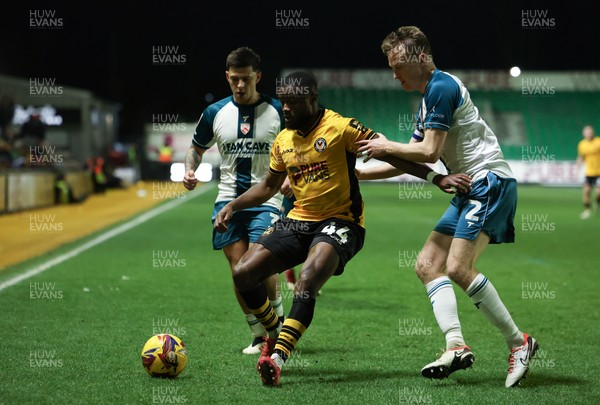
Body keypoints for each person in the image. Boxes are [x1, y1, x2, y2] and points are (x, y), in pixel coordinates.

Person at [213, 70, 471, 387]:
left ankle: (277, 356)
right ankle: (274, 328)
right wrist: (233, 204)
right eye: (284, 103)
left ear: (312, 99)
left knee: (307, 280)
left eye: (293, 103)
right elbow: (268, 185)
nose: (286, 110)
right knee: (243, 273)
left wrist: (436, 177)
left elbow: (388, 150)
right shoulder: (283, 140)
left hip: (341, 222)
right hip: (298, 220)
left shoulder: (341, 127)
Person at [355, 26, 538, 388]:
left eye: (398, 66)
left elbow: (429, 153)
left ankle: (520, 343)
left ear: (421, 57)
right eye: (390, 68)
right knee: (427, 265)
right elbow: (409, 161)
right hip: (469, 187)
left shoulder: (441, 87)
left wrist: (385, 143)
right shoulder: (428, 98)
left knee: (457, 268)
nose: (394, 75)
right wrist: (360, 174)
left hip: (488, 182)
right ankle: (455, 346)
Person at [183, 47, 286, 355]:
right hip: (227, 198)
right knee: (238, 269)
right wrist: (190, 169)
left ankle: (277, 325)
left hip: (268, 198)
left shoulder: (279, 111)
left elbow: (298, 147)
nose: (240, 86)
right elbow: (196, 148)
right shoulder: (215, 113)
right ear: (227, 77)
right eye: (235, 80)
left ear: (258, 77)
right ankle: (259, 334)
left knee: (259, 263)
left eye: (246, 79)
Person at [576, 125, 600, 219]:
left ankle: (597, 202)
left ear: (593, 133)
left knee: (599, 193)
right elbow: (581, 157)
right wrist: (578, 167)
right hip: (589, 172)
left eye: (590, 132)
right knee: (586, 191)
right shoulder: (582, 144)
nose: (589, 134)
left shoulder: (598, 142)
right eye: (587, 133)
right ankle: (587, 210)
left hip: (599, 172)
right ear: (584, 134)